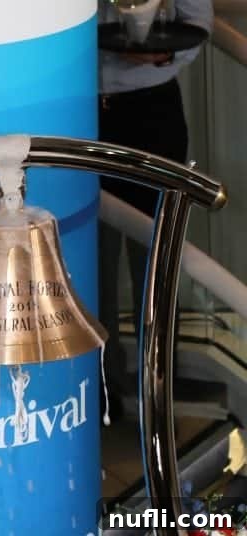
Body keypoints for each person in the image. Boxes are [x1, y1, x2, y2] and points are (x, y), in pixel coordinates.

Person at [97, 0, 213, 418]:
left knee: (155, 251)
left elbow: (198, 21)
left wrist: (163, 52)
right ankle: (101, 392)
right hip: (78, 108)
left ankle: (158, 389)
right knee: (92, 259)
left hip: (151, 107)